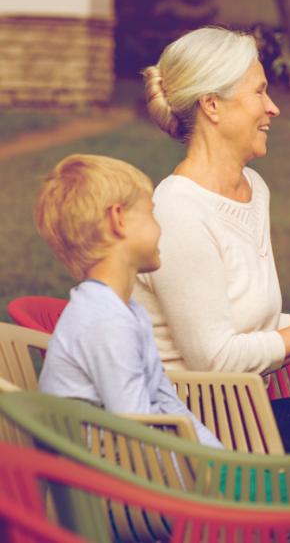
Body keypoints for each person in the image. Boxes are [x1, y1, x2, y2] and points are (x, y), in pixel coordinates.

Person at [133, 26, 290, 455]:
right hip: (193, 444)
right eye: (260, 93)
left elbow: (242, 321)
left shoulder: (253, 188)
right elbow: (214, 360)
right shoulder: (179, 212)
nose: (273, 108)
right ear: (212, 106)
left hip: (241, 420)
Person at [35, 154, 222, 449]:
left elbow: (167, 403)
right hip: (108, 485)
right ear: (118, 220)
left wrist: (218, 458)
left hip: (151, 470)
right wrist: (207, 474)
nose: (161, 228)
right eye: (151, 214)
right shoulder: (105, 323)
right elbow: (139, 434)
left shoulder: (127, 309)